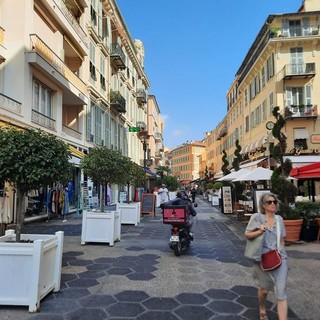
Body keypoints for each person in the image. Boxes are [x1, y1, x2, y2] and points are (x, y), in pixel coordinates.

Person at [245, 192, 288, 320]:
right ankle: (262, 308)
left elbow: (281, 239)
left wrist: (283, 254)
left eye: (274, 201)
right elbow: (247, 235)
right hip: (261, 259)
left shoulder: (279, 219)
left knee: (281, 293)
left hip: (279, 258)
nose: (273, 204)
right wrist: (259, 230)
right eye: (269, 202)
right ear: (263, 205)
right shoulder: (257, 217)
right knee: (264, 290)